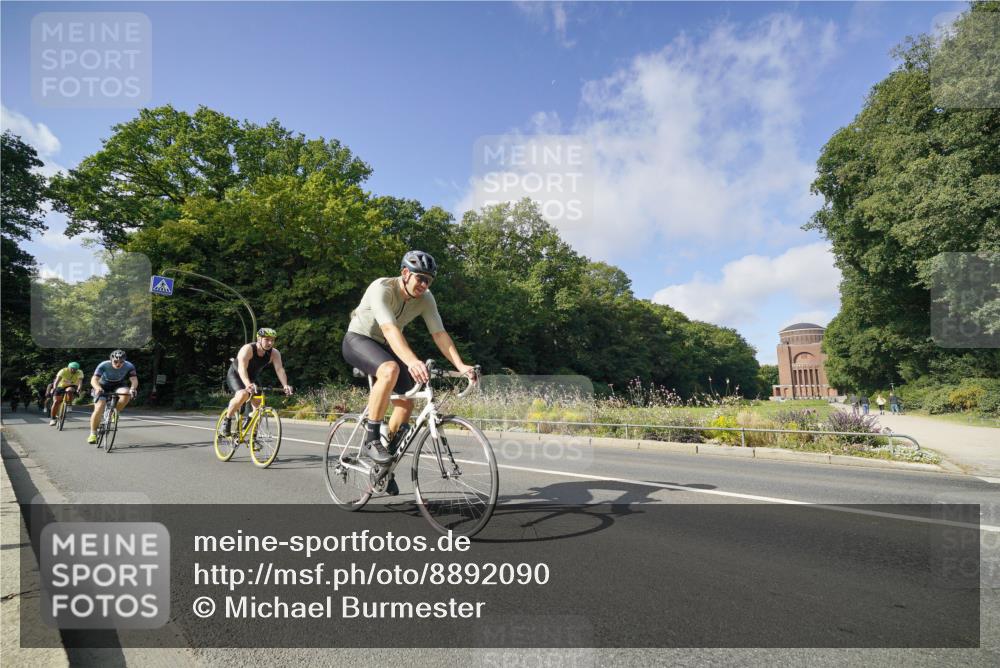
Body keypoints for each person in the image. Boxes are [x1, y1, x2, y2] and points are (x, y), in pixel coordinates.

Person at [342, 250, 477, 496]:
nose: (424, 285)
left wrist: (460, 365)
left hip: (386, 345)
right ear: (405, 273)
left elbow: (439, 333)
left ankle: (385, 466)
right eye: (420, 278)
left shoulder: (426, 298)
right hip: (358, 339)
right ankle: (372, 439)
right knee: (391, 369)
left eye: (429, 281)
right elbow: (390, 329)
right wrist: (413, 362)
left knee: (407, 401)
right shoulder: (381, 288)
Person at [222, 328, 293, 437]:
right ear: (259, 339)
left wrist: (285, 385)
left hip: (253, 378)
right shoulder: (248, 349)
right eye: (267, 339)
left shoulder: (274, 353)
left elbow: (279, 369)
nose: (270, 343)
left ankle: (252, 435)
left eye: (272, 340)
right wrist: (247, 384)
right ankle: (227, 420)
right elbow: (242, 369)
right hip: (236, 374)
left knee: (259, 407)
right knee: (243, 394)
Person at [88, 350, 139, 444]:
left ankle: (114, 412)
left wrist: (133, 388)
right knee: (99, 407)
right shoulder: (103, 365)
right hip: (102, 385)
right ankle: (93, 434)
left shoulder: (129, 366)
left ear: (125, 361)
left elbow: (134, 379)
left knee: (126, 394)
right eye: (115, 361)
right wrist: (98, 388)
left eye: (121, 362)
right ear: (111, 360)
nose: (118, 364)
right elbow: (94, 379)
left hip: (118, 385)